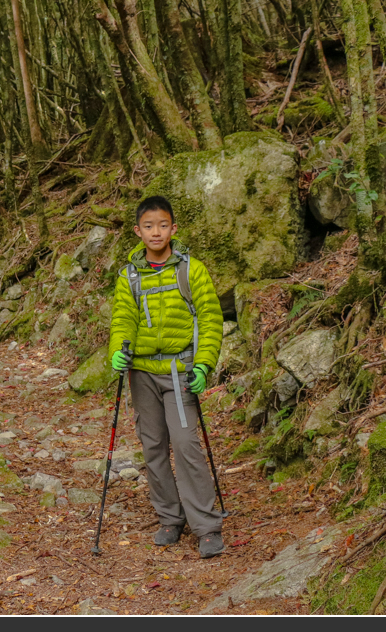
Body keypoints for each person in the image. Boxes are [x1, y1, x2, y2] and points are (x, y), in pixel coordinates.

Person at [108, 195, 225, 558]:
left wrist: (204, 365)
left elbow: (210, 320)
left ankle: (206, 525)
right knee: (153, 446)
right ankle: (170, 518)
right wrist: (118, 348)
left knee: (186, 444)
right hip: (142, 372)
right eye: (148, 226)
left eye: (162, 225)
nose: (155, 232)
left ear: (173, 228)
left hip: (180, 372)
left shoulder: (191, 270)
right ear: (137, 231)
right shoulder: (128, 275)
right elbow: (123, 318)